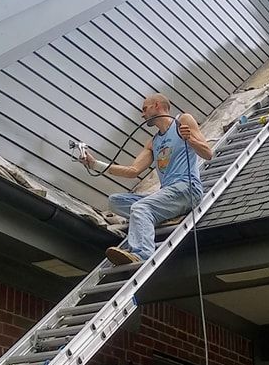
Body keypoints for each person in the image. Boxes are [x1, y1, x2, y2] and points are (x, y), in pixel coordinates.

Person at [80, 93, 213, 266]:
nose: (142, 115)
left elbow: (208, 153)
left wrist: (191, 139)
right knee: (115, 201)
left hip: (187, 188)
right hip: (168, 193)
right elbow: (132, 171)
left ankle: (141, 254)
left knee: (140, 208)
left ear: (157, 105)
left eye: (145, 109)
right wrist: (94, 164)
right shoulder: (153, 142)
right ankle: (161, 214)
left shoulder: (183, 121)